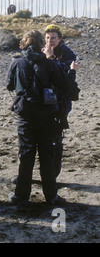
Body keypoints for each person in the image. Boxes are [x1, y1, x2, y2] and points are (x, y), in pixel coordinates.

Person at [6, 30, 79, 206]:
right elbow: (68, 90)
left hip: (25, 116)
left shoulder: (16, 62)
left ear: (23, 43)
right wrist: (71, 73)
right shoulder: (50, 64)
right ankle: (51, 197)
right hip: (47, 116)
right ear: (41, 44)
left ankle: (21, 196)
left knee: (26, 155)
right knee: (47, 156)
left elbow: (9, 85)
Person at [43, 24, 77, 177]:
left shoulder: (67, 53)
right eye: (48, 38)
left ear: (60, 38)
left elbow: (64, 77)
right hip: (43, 100)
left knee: (56, 137)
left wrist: (50, 59)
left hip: (60, 101)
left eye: (54, 38)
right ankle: (45, 171)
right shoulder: (41, 51)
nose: (51, 41)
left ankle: (54, 172)